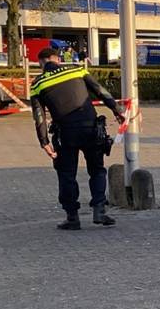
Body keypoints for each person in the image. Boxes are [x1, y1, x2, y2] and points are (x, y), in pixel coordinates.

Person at [30, 46, 126, 229]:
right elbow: (100, 91)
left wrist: (44, 142)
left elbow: (39, 116)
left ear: (42, 62)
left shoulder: (37, 84)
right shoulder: (77, 70)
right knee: (97, 170)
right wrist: (117, 110)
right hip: (91, 129)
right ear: (57, 59)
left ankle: (72, 218)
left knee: (67, 174)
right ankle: (99, 210)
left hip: (65, 134)